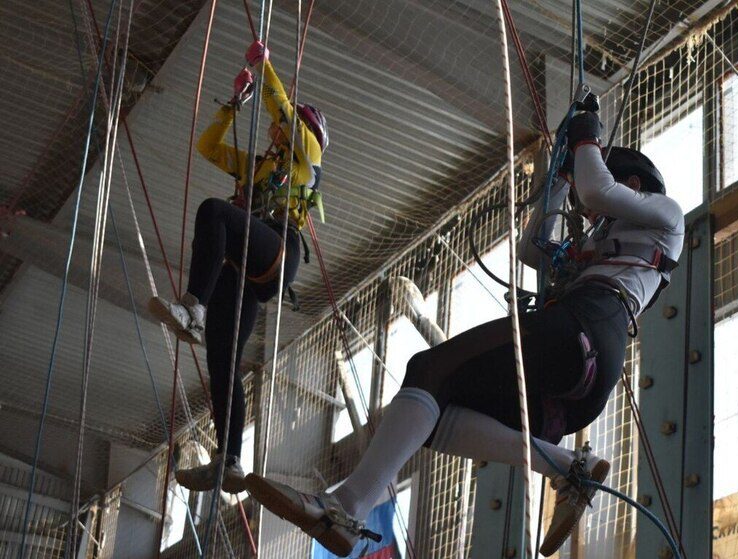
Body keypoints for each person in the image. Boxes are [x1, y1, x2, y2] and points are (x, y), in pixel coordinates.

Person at [245, 109, 684, 557]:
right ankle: (572, 467)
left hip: (581, 331)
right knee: (435, 414)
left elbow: (597, 188)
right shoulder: (599, 242)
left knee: (428, 368)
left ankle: (346, 506)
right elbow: (534, 249)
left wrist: (585, 136)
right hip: (584, 367)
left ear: (633, 184)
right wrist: (556, 181)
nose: (588, 212)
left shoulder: (666, 216)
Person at [149, 40, 328, 494]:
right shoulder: (261, 168)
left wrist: (264, 68)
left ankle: (193, 306)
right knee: (222, 361)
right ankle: (228, 460)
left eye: (283, 128)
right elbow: (209, 147)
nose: (273, 131)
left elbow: (284, 110)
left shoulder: (307, 163)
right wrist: (233, 105)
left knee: (214, 211)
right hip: (244, 266)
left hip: (277, 251)